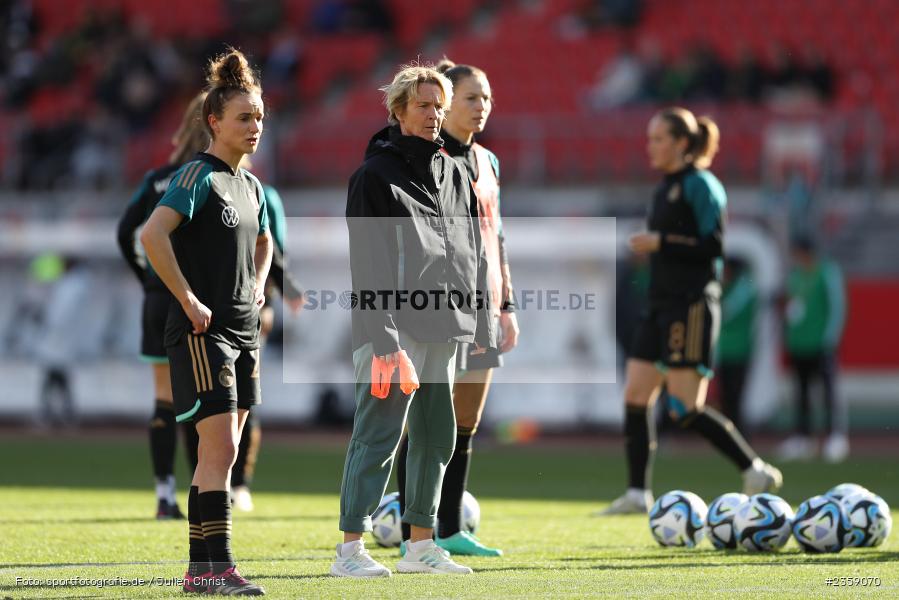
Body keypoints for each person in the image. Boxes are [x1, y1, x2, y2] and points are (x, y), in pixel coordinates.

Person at [331, 63, 495, 578]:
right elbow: (368, 263)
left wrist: (477, 318)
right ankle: (349, 551)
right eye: (423, 105)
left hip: (445, 323)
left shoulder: (455, 171)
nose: (433, 115)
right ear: (398, 110)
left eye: (439, 107)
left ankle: (421, 547)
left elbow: (471, 248)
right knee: (378, 435)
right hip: (393, 329)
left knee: (436, 435)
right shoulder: (373, 176)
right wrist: (383, 338)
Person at [598, 107, 782, 516]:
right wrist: (656, 249)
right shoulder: (664, 188)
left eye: (658, 139)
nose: (651, 146)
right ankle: (637, 493)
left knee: (684, 408)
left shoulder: (702, 185)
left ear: (682, 143)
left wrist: (661, 242)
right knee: (636, 395)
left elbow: (714, 246)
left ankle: (754, 468)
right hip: (659, 305)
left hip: (690, 305)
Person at [140, 47, 271, 596]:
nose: (255, 126)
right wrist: (188, 299)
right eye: (244, 117)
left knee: (226, 453)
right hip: (203, 334)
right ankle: (218, 568)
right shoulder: (197, 175)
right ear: (213, 121)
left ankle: (202, 572)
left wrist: (259, 284)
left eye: (259, 117)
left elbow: (263, 242)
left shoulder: (253, 187)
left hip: (244, 333)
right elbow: (152, 234)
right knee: (218, 451)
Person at [394, 59, 518, 558]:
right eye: (471, 97)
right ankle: (412, 531)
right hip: (441, 305)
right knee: (424, 420)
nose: (481, 106)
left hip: (485, 304)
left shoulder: (489, 162)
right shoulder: (429, 157)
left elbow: (497, 235)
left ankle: (447, 529)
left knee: (465, 419)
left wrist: (507, 303)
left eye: (486, 97)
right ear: (446, 106)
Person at [117, 92, 208, 519]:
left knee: (164, 398)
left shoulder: (157, 178)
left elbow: (125, 232)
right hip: (196, 302)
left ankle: (163, 495)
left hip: (157, 299)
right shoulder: (210, 178)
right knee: (202, 403)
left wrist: (148, 279)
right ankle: (203, 495)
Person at [230, 173, 305, 512]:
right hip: (211, 307)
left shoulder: (262, 194)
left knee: (244, 395)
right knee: (218, 398)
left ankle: (239, 483)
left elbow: (272, 248)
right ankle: (216, 479)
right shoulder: (205, 183)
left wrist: (275, 298)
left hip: (250, 306)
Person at [777, 236, 847, 462]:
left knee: (828, 391)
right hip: (799, 343)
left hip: (821, 343)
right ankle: (803, 437)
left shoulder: (827, 272)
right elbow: (792, 305)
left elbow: (836, 307)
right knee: (801, 392)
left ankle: (834, 436)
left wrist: (830, 338)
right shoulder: (795, 276)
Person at [716, 258, 759, 435]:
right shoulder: (731, 289)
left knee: (735, 396)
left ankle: (738, 434)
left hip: (740, 350)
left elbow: (725, 311)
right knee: (726, 396)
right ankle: (729, 433)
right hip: (725, 350)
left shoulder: (744, 289)